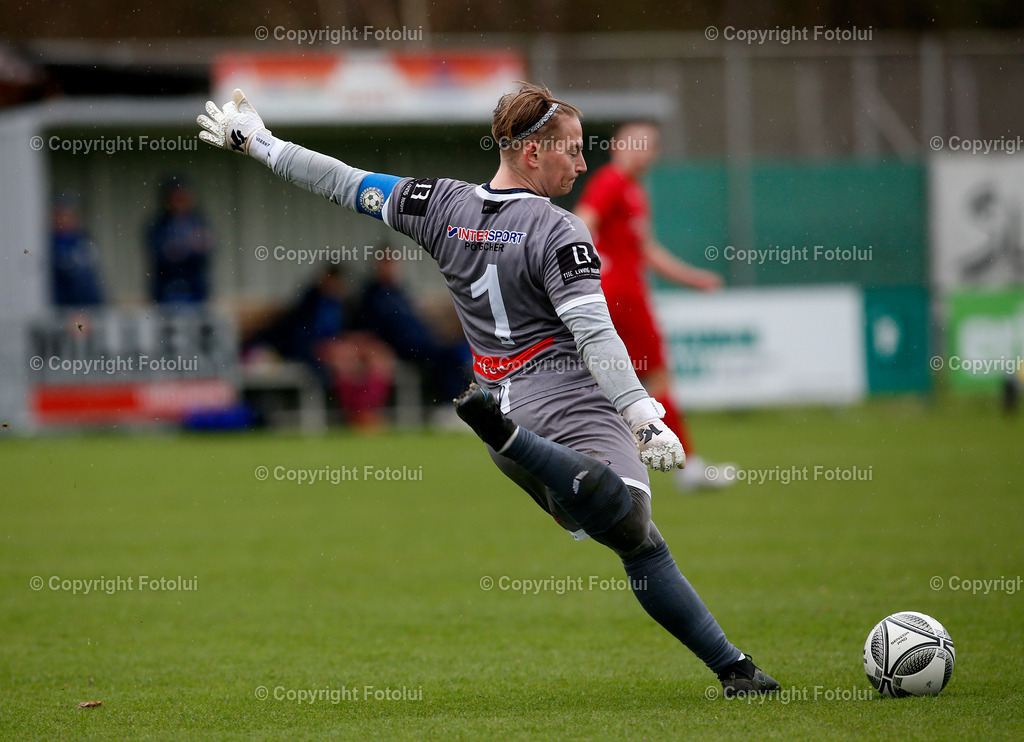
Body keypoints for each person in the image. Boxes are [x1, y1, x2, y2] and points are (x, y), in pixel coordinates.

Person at [197, 84, 778, 697]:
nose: (583, 164)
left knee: (627, 532)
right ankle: (733, 670)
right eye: (573, 151)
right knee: (634, 530)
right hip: (570, 403)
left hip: (502, 407)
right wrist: (640, 413)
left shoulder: (439, 203)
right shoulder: (560, 230)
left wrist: (260, 142)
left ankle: (736, 671)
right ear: (531, 155)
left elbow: (343, 180)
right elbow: (592, 331)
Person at [575, 121, 734, 491]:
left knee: (608, 383)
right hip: (622, 298)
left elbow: (645, 250)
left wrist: (692, 278)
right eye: (637, 144)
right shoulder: (610, 182)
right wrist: (589, 270)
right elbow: (583, 223)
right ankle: (687, 467)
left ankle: (600, 470)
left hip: (625, 295)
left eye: (651, 145)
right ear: (617, 146)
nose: (645, 151)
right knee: (655, 378)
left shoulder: (633, 191)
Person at [243, 265, 394, 429]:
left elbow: (354, 329)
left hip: (341, 349)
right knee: (344, 362)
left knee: (378, 355)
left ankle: (369, 409)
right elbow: (301, 338)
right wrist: (331, 347)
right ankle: (356, 414)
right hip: (313, 352)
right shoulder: (310, 303)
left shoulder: (345, 304)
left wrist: (354, 342)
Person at [357, 252, 471, 407]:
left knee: (455, 352)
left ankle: (459, 402)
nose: (391, 268)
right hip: (400, 348)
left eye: (394, 264)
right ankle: (451, 403)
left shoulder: (399, 292)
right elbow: (369, 330)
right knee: (449, 358)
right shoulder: (372, 296)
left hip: (421, 343)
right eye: (387, 263)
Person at [147, 175, 214, 307]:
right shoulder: (159, 225)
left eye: (184, 198)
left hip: (196, 291)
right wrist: (189, 246)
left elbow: (208, 249)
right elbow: (165, 254)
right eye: (177, 199)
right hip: (166, 292)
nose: (181, 202)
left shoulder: (198, 221)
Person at [51, 192, 104, 307]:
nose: (65, 219)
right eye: (61, 214)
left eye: (71, 215)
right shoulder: (49, 243)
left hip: (87, 308)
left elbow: (91, 279)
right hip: (60, 309)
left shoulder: (84, 240)